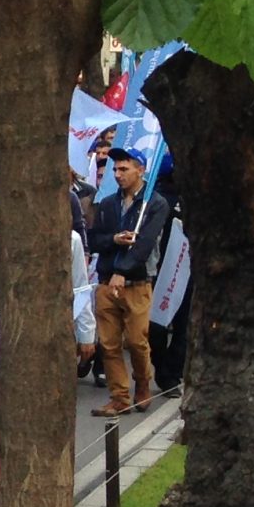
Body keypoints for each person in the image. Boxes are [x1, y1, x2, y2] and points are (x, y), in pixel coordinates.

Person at [86, 143, 169, 416]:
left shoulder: (155, 203)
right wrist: (113, 239)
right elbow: (95, 239)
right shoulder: (108, 203)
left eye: (124, 168)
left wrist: (124, 271)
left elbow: (145, 245)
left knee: (136, 341)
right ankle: (120, 397)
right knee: (109, 344)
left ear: (140, 169)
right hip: (106, 281)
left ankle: (143, 381)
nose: (118, 174)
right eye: (116, 169)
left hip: (137, 282)